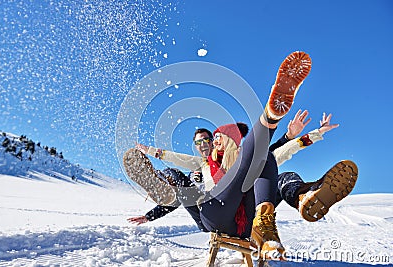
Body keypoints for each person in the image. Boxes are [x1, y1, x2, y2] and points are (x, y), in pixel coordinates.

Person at [123, 51, 358, 259]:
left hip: (249, 218)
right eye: (202, 141)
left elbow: (282, 151)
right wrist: (150, 215)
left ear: (229, 140)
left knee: (269, 161)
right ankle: (270, 117)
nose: (208, 143)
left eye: (213, 137)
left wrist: (304, 135)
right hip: (215, 214)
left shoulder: (241, 157)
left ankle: (303, 197)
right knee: (177, 176)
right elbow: (176, 161)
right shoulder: (203, 165)